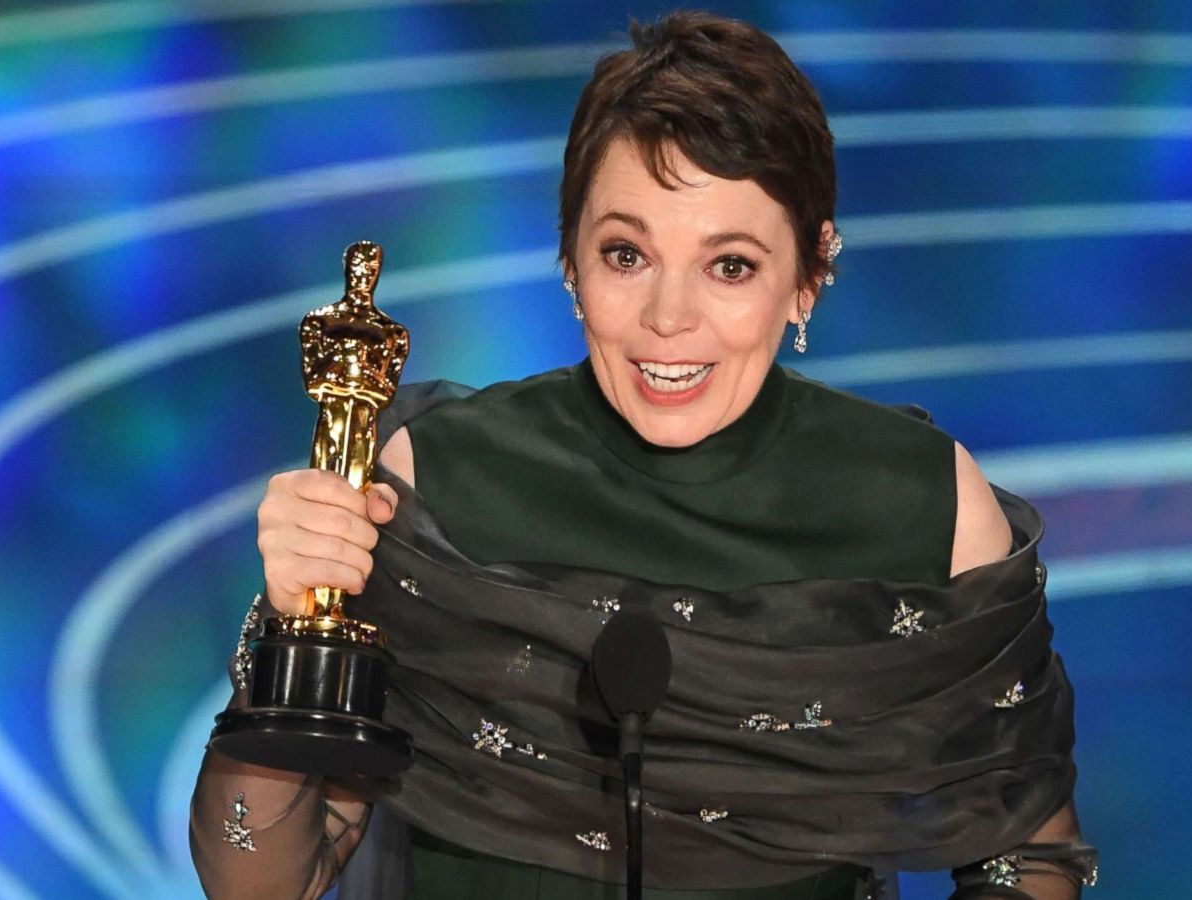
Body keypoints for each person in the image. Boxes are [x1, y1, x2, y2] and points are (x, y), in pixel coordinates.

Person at [190, 11, 1098, 899]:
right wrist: (285, 631)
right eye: (626, 254)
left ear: (810, 274)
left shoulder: (924, 505)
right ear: (570, 263)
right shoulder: (433, 485)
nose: (669, 317)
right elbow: (258, 881)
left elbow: (1029, 855)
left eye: (730, 264)